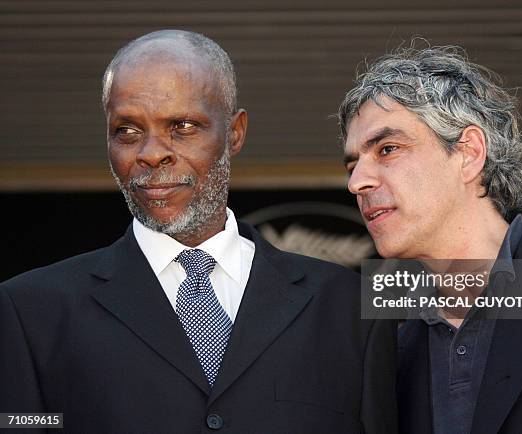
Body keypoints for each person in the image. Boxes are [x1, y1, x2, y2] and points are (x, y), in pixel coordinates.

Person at [0, 30, 397, 434]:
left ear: (235, 133)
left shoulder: (349, 308)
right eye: (127, 130)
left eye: (183, 126)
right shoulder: (30, 312)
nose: (152, 153)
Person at [338, 46, 522, 433]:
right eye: (353, 165)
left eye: (387, 149)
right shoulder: (393, 351)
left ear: (468, 153)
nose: (357, 182)